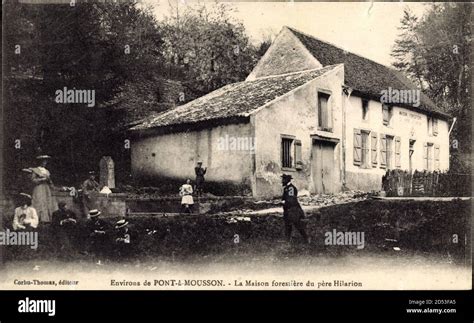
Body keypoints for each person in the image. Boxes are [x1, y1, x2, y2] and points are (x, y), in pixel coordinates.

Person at [281, 174, 309, 243]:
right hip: (288, 210)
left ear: (287, 180)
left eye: (283, 179)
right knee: (287, 225)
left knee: (297, 224)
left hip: (293, 209)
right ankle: (287, 240)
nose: (282, 181)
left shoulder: (291, 188)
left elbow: (291, 200)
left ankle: (306, 238)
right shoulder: (287, 188)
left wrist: (284, 202)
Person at [30, 155, 57, 223]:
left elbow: (50, 181)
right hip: (39, 187)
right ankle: (36, 218)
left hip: (46, 188)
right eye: (43, 161)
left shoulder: (47, 171)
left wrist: (50, 182)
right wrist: (42, 179)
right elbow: (33, 180)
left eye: (46, 161)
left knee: (46, 202)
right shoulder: (35, 170)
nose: (45, 163)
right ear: (40, 162)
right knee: (39, 201)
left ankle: (45, 219)